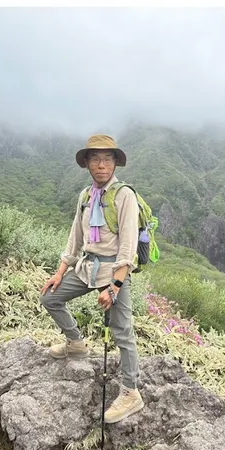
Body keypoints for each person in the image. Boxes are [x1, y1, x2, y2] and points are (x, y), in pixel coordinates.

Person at [40, 133, 144, 425]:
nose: (101, 165)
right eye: (95, 159)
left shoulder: (124, 196)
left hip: (113, 272)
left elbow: (128, 247)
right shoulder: (85, 196)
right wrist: (60, 272)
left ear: (115, 164)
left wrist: (115, 286)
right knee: (50, 297)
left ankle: (131, 392)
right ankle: (76, 343)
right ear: (87, 163)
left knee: (122, 332)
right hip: (86, 268)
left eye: (107, 159)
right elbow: (75, 237)